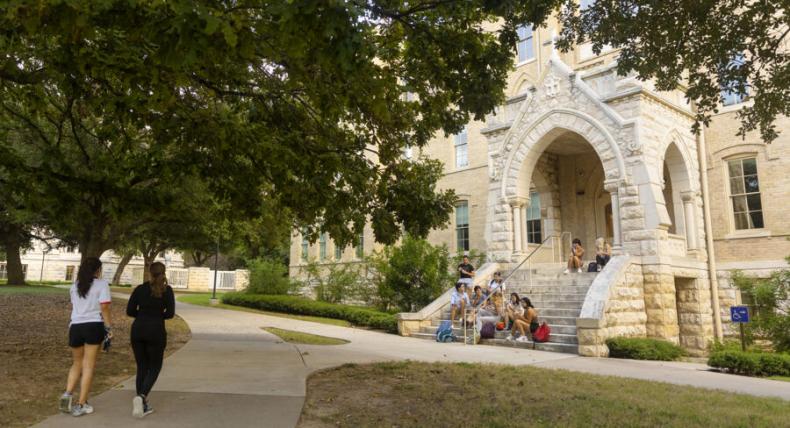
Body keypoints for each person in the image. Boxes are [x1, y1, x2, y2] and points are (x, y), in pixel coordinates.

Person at [59, 257, 112, 417]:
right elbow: (104, 306)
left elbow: (75, 306)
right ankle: (81, 404)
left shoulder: (74, 286)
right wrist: (108, 327)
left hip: (75, 327)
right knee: (88, 365)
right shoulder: (102, 284)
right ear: (98, 270)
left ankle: (67, 395)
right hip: (93, 325)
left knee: (76, 363)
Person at [126, 262, 176, 418]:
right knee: (155, 367)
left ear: (149, 272)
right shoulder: (167, 291)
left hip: (138, 330)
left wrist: (142, 315)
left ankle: (142, 402)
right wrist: (157, 315)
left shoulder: (140, 289)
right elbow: (170, 313)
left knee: (142, 367)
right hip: (156, 331)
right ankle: (141, 397)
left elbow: (130, 310)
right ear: (163, 273)